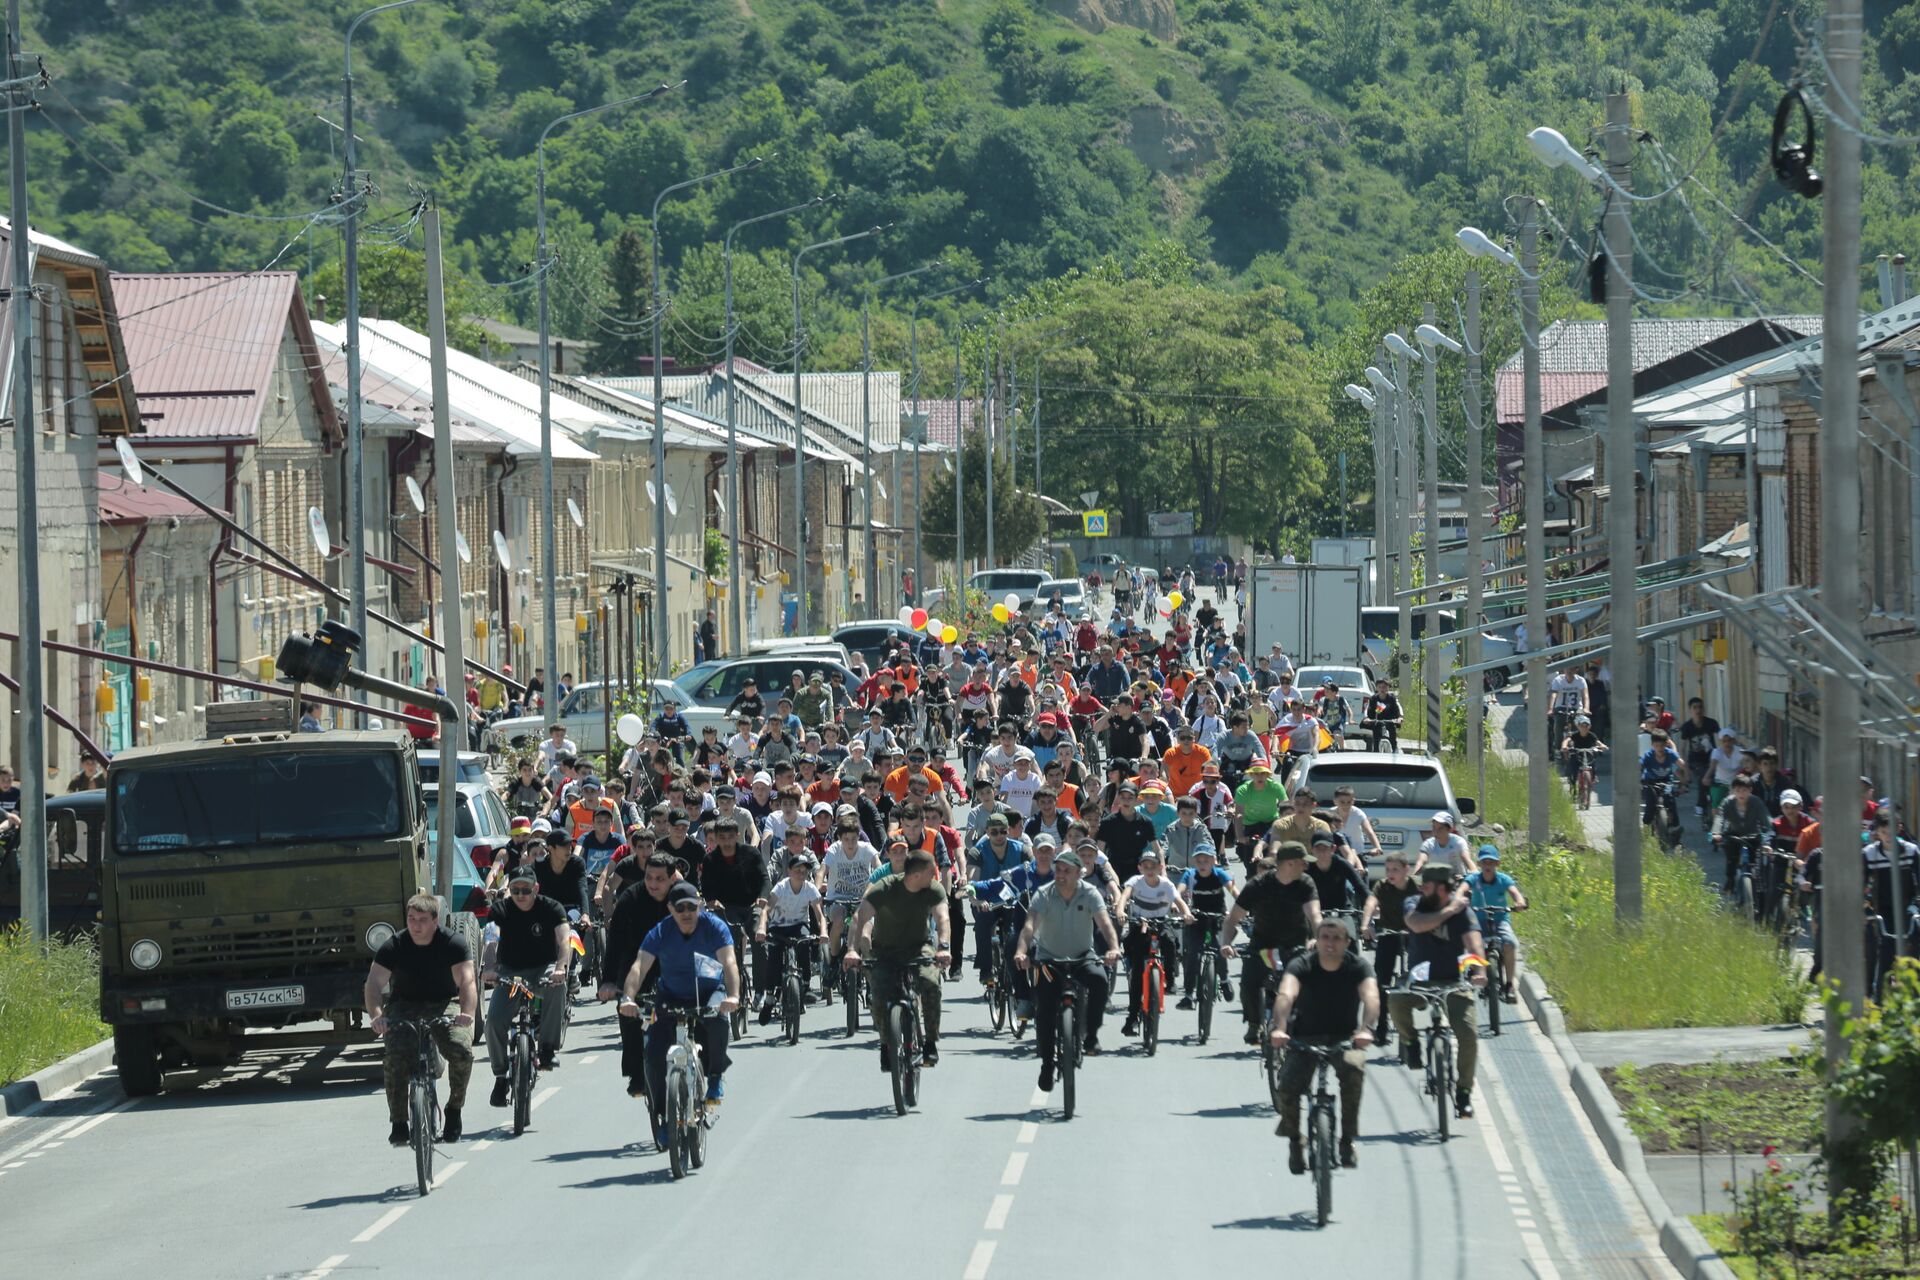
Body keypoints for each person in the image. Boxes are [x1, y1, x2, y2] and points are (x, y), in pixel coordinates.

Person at [616, 881, 739, 1128]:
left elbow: (729, 963)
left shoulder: (715, 927)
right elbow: (639, 967)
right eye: (680, 908)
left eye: (691, 907)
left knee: (717, 1020)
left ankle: (715, 1075)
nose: (686, 914)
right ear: (670, 909)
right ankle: (662, 1115)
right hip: (670, 996)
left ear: (700, 907)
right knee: (652, 1055)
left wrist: (733, 996)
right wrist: (627, 999)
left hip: (708, 992)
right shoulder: (660, 932)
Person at [365, 893, 478, 1145]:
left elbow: (467, 981)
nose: (416, 925)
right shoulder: (395, 945)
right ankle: (399, 1122)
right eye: (411, 918)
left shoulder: (453, 943)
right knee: (395, 1057)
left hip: (444, 1004)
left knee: (461, 1051)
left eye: (422, 920)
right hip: (404, 1005)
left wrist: (467, 1014)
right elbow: (373, 984)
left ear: (435, 921)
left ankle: (454, 1109)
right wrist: (377, 1016)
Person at [1269, 917, 1380, 1172]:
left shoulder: (1358, 966)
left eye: (1337, 938)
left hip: (1345, 1038)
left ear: (1347, 942)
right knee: (1286, 1085)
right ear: (1316, 941)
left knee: (1354, 1073)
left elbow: (1371, 996)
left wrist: (1367, 1029)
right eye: (1325, 938)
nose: (1330, 943)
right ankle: (1296, 1141)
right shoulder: (1302, 965)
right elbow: (1287, 993)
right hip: (1303, 1037)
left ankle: (1347, 1140)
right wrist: (1280, 1027)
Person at [1015, 846, 1122, 1089]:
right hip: (1050, 959)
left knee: (1099, 980)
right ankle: (1046, 1064)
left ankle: (1091, 1036)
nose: (1061, 874)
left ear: (1079, 873)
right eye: (1058, 869)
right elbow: (1030, 926)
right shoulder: (1044, 893)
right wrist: (1022, 952)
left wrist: (1113, 948)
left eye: (1067, 870)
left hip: (1082, 956)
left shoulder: (1090, 893)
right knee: (1043, 1011)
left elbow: (1105, 924)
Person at [1387, 865, 1488, 1119]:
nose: (1421, 889)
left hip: (1453, 981)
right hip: (1419, 979)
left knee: (1468, 1035)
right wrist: (1449, 911)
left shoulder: (1462, 909)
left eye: (1427, 885)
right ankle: (1410, 1042)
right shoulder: (1415, 902)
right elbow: (1416, 924)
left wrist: (1478, 970)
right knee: (1396, 1001)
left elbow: (1473, 940)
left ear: (1442, 888)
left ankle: (1463, 1093)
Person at [845, 850, 952, 1069]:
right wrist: (851, 950)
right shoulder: (885, 887)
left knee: (931, 984)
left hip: (919, 948)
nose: (935, 876)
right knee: (879, 994)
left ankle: (930, 1042)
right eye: (931, 872)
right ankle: (886, 1044)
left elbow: (943, 917)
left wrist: (943, 947)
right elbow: (860, 916)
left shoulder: (933, 889)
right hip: (886, 950)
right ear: (916, 875)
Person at [484, 866, 572, 1102]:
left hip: (544, 968)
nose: (520, 894)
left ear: (536, 888)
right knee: (493, 1021)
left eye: (525, 889)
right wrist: (490, 967)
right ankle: (501, 1076)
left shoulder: (552, 908)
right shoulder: (500, 909)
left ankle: (547, 1048)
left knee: (557, 986)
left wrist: (561, 967)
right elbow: (491, 939)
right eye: (515, 890)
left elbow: (565, 939)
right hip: (510, 971)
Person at [1220, 843, 1321, 1043]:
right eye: (1303, 863)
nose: (1306, 867)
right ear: (1289, 864)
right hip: (1262, 944)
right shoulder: (1258, 885)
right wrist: (1226, 943)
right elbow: (1233, 919)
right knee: (1249, 983)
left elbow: (1314, 915)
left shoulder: (1305, 882)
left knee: (1306, 983)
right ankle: (1254, 1024)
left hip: (1296, 943)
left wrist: (1317, 937)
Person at [1115, 849, 1195, 1036]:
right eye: (1146, 866)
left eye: (1153, 866)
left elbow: (1178, 900)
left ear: (1160, 868)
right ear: (1140, 868)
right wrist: (1120, 910)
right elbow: (1125, 896)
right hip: (1139, 924)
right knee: (1136, 975)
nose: (1149, 870)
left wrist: (1186, 913)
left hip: (1160, 922)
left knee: (1169, 941)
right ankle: (1132, 1018)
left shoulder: (1166, 884)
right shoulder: (1135, 882)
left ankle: (1170, 979)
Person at [755, 852, 826, 1021]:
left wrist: (823, 932)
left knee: (804, 945)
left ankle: (805, 986)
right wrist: (761, 929)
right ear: (789, 871)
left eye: (804, 871)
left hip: (799, 925)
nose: (801, 874)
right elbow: (766, 911)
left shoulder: (810, 888)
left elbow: (820, 915)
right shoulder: (781, 887)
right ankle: (770, 997)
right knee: (774, 956)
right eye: (797, 870)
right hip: (778, 926)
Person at [1359, 852, 1415, 1044]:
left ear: (1406, 870)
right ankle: (1381, 1028)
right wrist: (1365, 924)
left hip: (1412, 933)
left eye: (1395, 870)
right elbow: (1371, 902)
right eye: (1388, 869)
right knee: (1381, 981)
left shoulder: (1416, 886)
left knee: (1421, 973)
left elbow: (1427, 904)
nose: (1390, 873)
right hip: (1389, 933)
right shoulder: (1382, 886)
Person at [1465, 846, 1527, 997]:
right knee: (1471, 942)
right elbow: (1463, 889)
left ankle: (1510, 984)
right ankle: (1473, 972)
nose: (1488, 865)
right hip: (1478, 920)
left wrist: (1519, 902)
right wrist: (1460, 899)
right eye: (1484, 862)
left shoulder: (1503, 880)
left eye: (1491, 862)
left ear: (1497, 864)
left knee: (1509, 944)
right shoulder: (1473, 879)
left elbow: (1514, 892)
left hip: (1500, 920)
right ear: (1479, 864)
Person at [1711, 773, 1771, 893]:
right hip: (1734, 835)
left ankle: (1757, 887)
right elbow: (1720, 818)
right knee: (1731, 858)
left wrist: (1769, 833)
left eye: (1744, 790)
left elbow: (1766, 819)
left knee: (1755, 863)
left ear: (1750, 790)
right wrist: (1716, 833)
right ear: (1733, 791)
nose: (1741, 793)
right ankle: (1730, 879)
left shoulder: (1756, 802)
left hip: (1753, 835)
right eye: (1738, 790)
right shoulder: (1728, 802)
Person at [1231, 761, 1286, 869]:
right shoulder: (1243, 790)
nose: (1259, 777)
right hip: (1251, 826)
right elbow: (1239, 815)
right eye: (1256, 774)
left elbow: (1286, 808)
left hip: (1271, 824)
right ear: (1251, 775)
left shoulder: (1276, 787)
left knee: (1275, 858)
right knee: (1249, 861)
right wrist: (1240, 836)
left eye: (1263, 773)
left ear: (1268, 775)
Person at [1419, 811, 1472, 877]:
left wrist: (1475, 873)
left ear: (1450, 830)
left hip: (1457, 882)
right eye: (1434, 827)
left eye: (1440, 828)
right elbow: (1421, 861)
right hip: (1435, 883)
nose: (1436, 832)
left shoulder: (1458, 842)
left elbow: (1466, 858)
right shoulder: (1428, 844)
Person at [1360, 678, 1403, 753]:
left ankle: (1395, 754)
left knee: (1393, 742)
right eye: (1380, 687)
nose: (1382, 689)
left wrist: (1400, 717)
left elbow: (1398, 708)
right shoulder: (1373, 699)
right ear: (1376, 688)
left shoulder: (1392, 698)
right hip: (1377, 723)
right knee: (1376, 743)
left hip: (1390, 722)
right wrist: (1366, 718)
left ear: (1388, 688)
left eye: (1384, 687)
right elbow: (1367, 709)